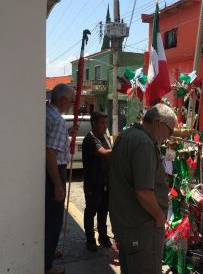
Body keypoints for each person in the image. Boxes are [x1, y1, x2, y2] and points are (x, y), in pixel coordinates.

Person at [109, 103, 178, 274]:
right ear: (158, 124)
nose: (169, 136)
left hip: (129, 225)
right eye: (170, 131)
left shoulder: (127, 136)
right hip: (142, 229)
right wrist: (159, 216)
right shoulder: (144, 143)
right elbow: (144, 192)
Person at [45, 83, 77, 274]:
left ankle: (47, 252)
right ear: (63, 100)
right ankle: (47, 265)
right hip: (55, 172)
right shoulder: (57, 120)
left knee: (48, 217)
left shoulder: (46, 111)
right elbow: (50, 152)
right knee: (53, 220)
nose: (72, 104)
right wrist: (57, 185)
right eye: (71, 100)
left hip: (49, 171)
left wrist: (67, 134)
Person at [82, 111, 112, 251]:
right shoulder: (90, 139)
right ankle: (90, 240)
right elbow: (104, 153)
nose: (105, 126)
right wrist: (120, 146)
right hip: (93, 184)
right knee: (91, 212)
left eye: (106, 123)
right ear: (93, 123)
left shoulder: (105, 138)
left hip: (105, 182)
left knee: (103, 211)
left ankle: (103, 236)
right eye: (102, 123)